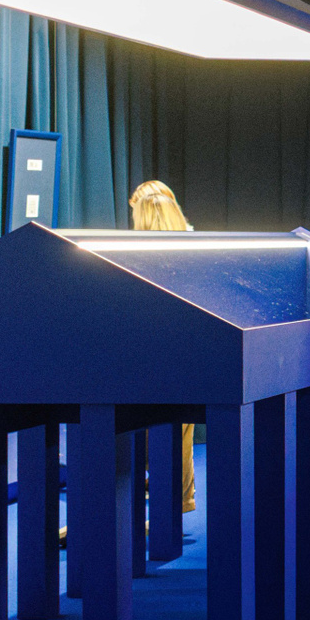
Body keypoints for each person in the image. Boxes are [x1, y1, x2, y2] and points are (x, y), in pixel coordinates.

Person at [129, 181, 197, 516]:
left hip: (152, 357)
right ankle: (176, 503)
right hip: (187, 354)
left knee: (150, 431)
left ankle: (154, 508)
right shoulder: (195, 247)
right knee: (178, 433)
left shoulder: (140, 254)